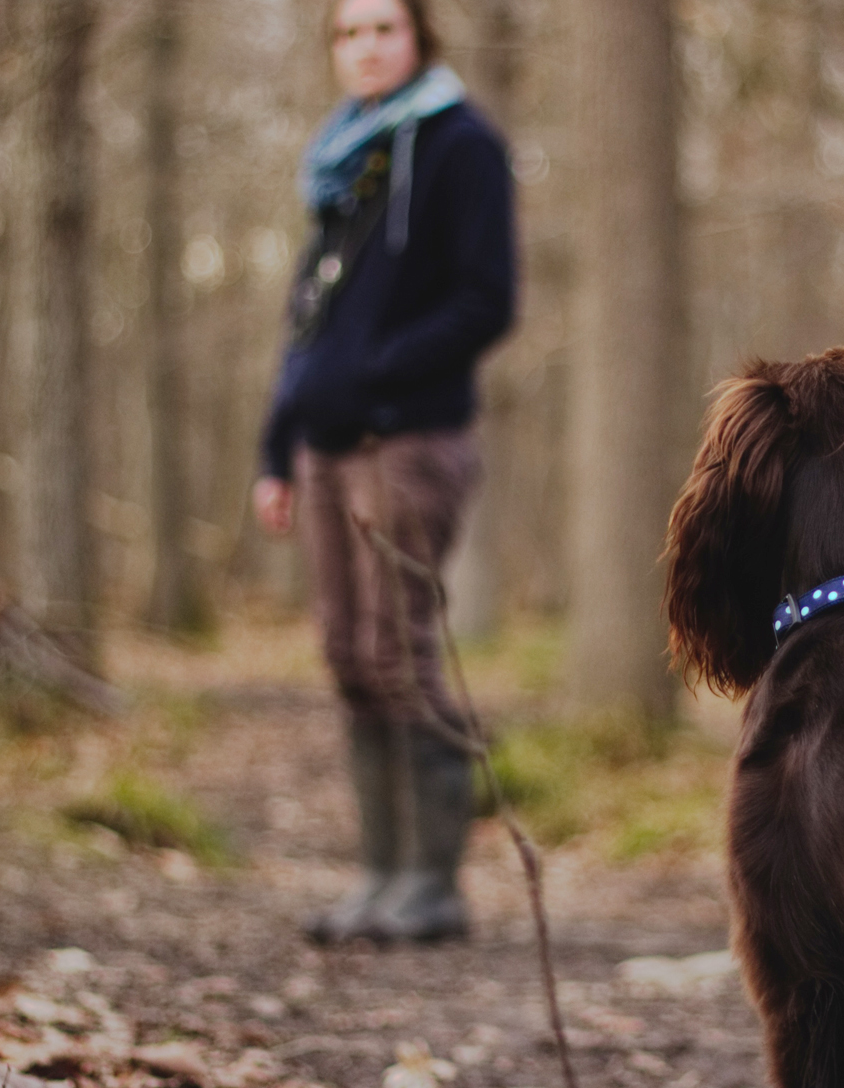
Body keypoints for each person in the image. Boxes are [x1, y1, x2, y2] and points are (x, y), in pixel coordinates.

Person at [253, 0, 515, 943]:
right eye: (349, 32)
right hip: (323, 448)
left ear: (419, 38)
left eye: (384, 28)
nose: (365, 47)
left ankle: (432, 884)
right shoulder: (344, 161)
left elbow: (488, 299)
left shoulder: (458, 146)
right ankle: (379, 874)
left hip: (408, 441)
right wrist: (275, 449)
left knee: (401, 655)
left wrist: (376, 374)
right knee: (347, 656)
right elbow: (305, 326)